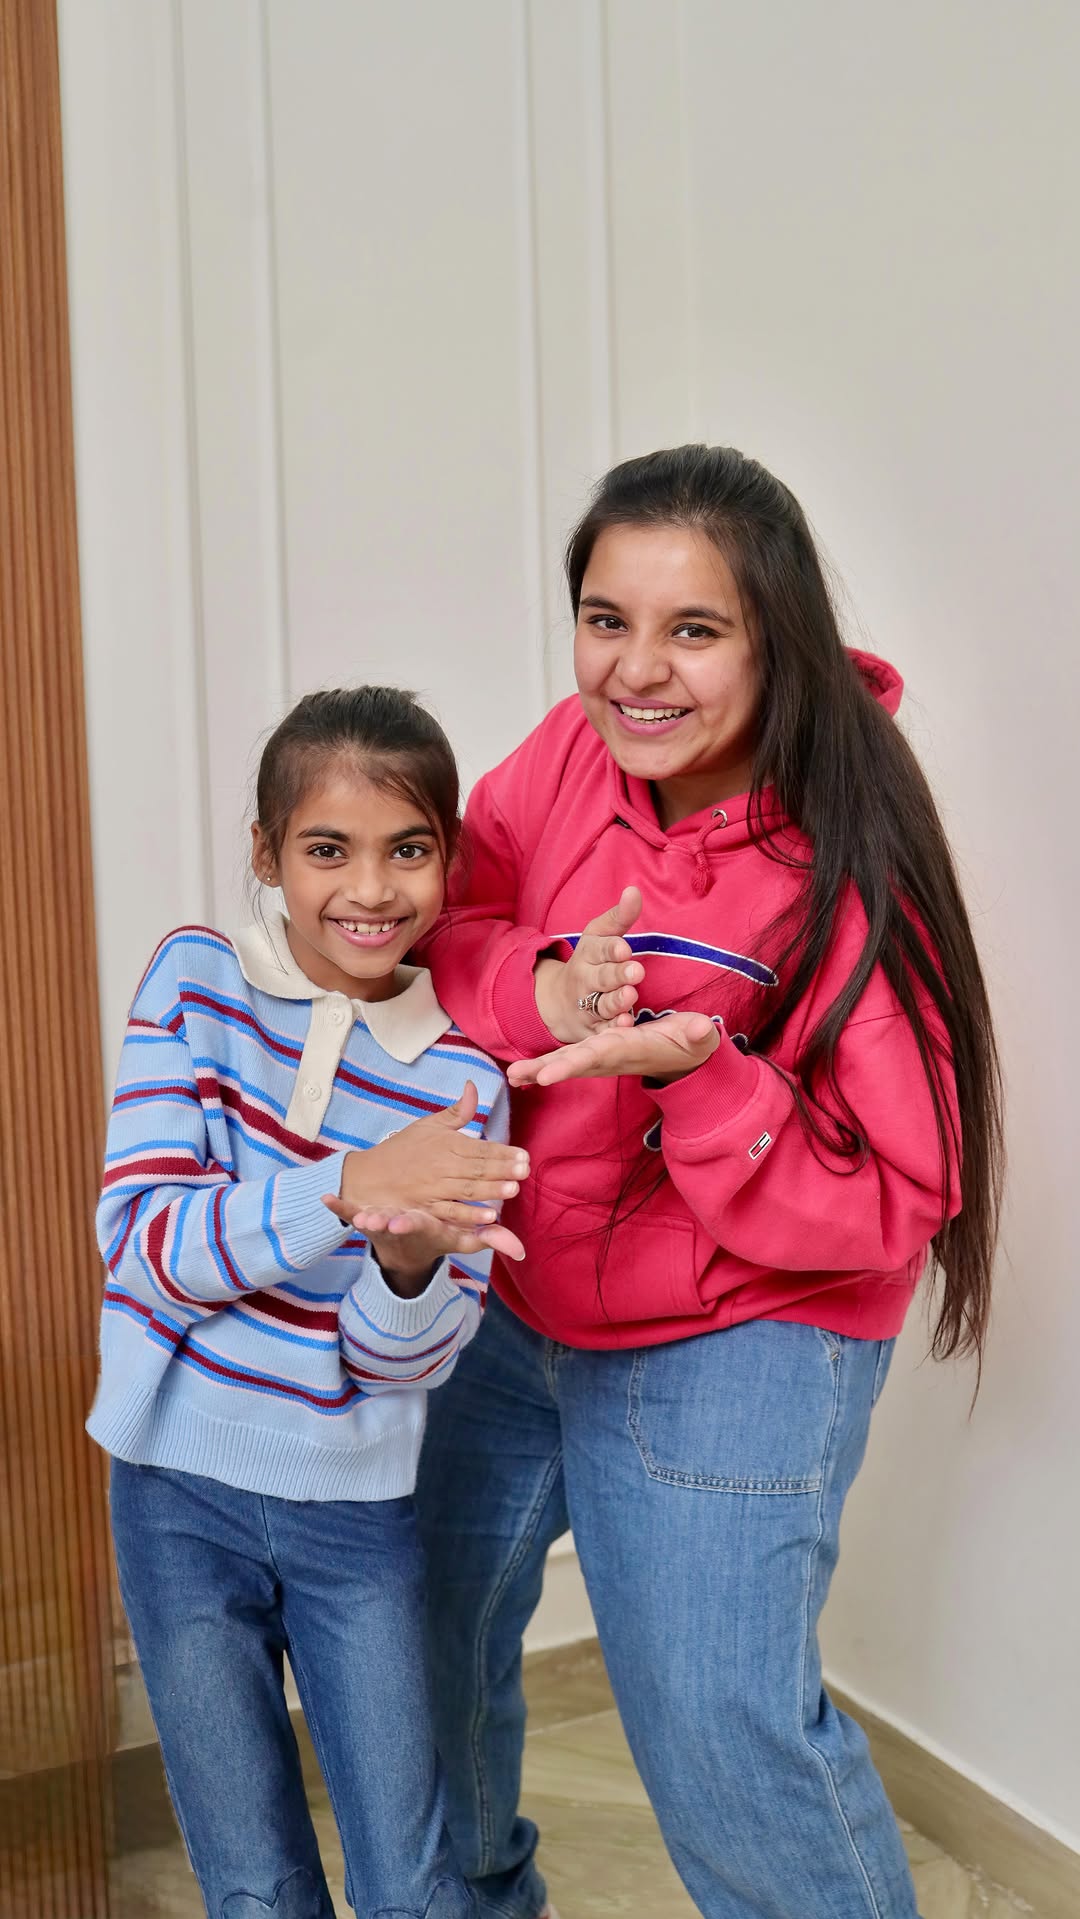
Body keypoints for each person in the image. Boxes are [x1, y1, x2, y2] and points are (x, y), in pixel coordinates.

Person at [411, 446, 1003, 1919]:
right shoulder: (569, 752)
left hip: (740, 1328)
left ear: (774, 636)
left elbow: (904, 1188)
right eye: (605, 619)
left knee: (723, 1735)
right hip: (522, 1293)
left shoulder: (850, 848)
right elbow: (458, 912)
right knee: (409, 1647)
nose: (636, 670)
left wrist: (702, 1077)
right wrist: (543, 985)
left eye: (693, 628)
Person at [87, 686, 531, 1919]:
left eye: (408, 849)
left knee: (411, 1881)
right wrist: (347, 1188)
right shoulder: (197, 980)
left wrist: (407, 1266)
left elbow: (408, 1363)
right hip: (175, 1496)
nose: (370, 889)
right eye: (327, 848)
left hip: (356, 1511)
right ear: (267, 851)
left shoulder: (464, 1075)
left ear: (449, 856)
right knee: (253, 1881)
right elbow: (146, 1244)